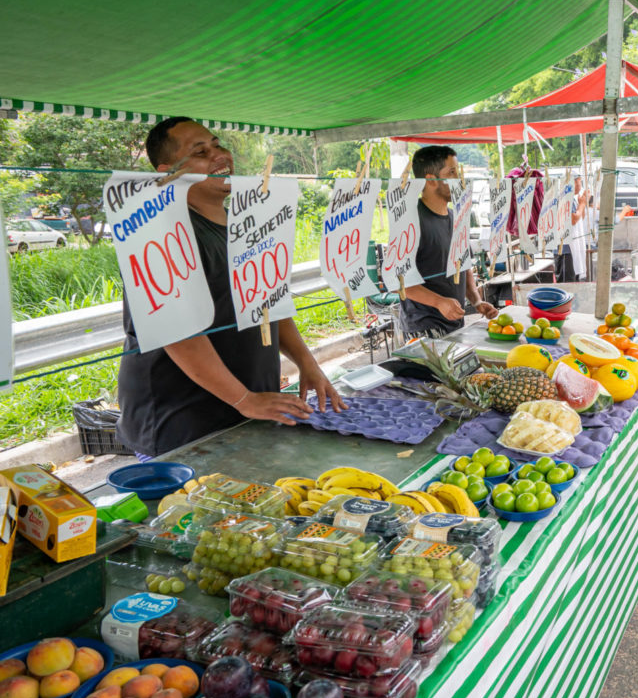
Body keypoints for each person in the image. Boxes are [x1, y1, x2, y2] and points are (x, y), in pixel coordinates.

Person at [117, 118, 345, 458]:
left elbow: (267, 300)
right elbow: (177, 333)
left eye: (217, 144)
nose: (219, 155)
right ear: (168, 173)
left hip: (244, 413)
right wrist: (244, 399)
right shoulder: (159, 233)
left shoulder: (245, 225)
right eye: (200, 152)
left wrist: (306, 362)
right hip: (182, 426)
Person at [399, 146, 499, 339]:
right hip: (424, 328)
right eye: (452, 172)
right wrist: (439, 302)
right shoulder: (410, 221)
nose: (459, 179)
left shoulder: (457, 217)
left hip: (455, 323)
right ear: (431, 180)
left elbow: (464, 265)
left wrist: (476, 301)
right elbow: (397, 280)